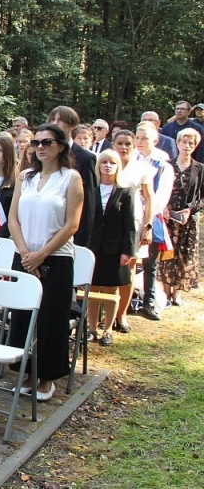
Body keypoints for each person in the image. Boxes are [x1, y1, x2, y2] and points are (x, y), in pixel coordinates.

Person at [7, 123, 84, 402]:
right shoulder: (25, 177)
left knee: (51, 319)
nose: (40, 147)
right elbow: (13, 219)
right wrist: (27, 253)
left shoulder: (71, 178)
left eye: (47, 142)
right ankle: (27, 371)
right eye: (36, 142)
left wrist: (42, 254)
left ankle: (47, 376)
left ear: (61, 146)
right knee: (23, 317)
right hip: (25, 257)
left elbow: (71, 224)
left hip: (56, 258)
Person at [85, 149, 135, 347]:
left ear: (117, 166)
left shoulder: (126, 191)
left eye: (112, 163)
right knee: (92, 289)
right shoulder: (91, 189)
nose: (107, 166)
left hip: (114, 249)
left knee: (110, 290)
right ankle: (91, 328)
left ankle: (107, 330)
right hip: (93, 247)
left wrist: (127, 250)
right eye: (104, 162)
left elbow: (130, 224)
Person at [110, 129, 154, 333]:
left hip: (134, 222)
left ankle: (122, 314)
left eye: (128, 143)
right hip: (110, 223)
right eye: (120, 143)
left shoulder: (142, 168)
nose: (124, 147)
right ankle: (106, 313)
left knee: (129, 269)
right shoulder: (106, 163)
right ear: (113, 144)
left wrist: (148, 226)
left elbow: (149, 198)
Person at [132, 121, 174, 321]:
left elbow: (161, 197)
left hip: (149, 216)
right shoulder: (129, 159)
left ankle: (148, 302)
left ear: (155, 140)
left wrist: (145, 213)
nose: (139, 142)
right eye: (137, 138)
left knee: (150, 262)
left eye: (144, 138)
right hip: (128, 216)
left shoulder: (162, 165)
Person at [158, 128, 204, 307]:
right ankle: (165, 290)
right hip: (168, 216)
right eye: (184, 142)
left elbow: (202, 196)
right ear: (177, 143)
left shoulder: (200, 168)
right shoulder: (167, 165)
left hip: (188, 219)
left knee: (184, 254)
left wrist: (190, 210)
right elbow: (159, 190)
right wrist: (165, 207)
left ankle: (177, 291)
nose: (187, 146)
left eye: (191, 143)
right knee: (167, 253)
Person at [48, 106, 98, 247]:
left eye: (60, 120)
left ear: (71, 125)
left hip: (72, 232)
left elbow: (88, 203)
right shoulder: (42, 153)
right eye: (52, 119)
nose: (55, 124)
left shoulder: (85, 157)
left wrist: (82, 241)